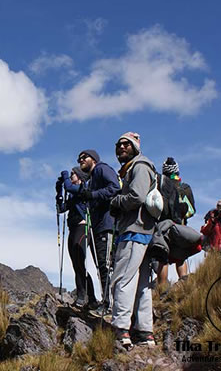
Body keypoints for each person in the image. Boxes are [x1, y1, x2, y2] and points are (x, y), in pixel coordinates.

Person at [108, 132, 156, 348]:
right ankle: (145, 333)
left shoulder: (139, 166)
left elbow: (136, 196)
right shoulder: (137, 167)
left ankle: (121, 329)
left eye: (126, 144)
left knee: (123, 279)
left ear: (136, 147)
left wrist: (116, 201)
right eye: (118, 145)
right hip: (145, 232)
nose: (121, 148)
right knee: (143, 284)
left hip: (134, 230)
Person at [74, 149, 120, 315]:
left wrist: (93, 195)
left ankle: (110, 305)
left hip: (106, 225)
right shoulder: (92, 178)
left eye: (84, 157)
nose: (81, 160)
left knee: (105, 265)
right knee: (102, 266)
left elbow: (115, 187)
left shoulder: (101, 169)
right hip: (98, 226)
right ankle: (107, 302)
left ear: (93, 159)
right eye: (79, 158)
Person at [56, 166, 98, 308]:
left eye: (73, 174)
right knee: (76, 265)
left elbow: (69, 187)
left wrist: (65, 176)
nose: (71, 176)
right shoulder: (73, 194)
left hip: (83, 228)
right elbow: (61, 209)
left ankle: (86, 298)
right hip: (73, 229)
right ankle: (87, 298)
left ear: (79, 177)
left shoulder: (82, 190)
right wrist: (58, 192)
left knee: (80, 263)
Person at [156, 157, 197, 285]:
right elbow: (192, 210)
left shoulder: (159, 185)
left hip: (163, 225)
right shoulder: (185, 188)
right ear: (177, 171)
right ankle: (183, 284)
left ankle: (161, 288)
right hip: (180, 226)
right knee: (181, 258)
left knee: (163, 258)